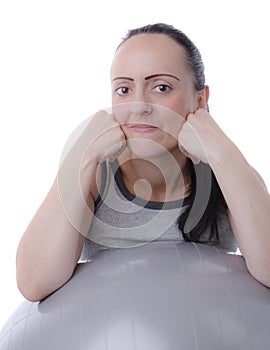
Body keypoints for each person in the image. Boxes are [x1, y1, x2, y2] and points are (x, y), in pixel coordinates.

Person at [16, 23, 270, 301]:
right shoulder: (96, 176)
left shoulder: (228, 171)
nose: (139, 105)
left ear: (200, 99)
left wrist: (223, 153)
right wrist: (83, 158)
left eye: (161, 87)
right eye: (124, 90)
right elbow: (33, 283)